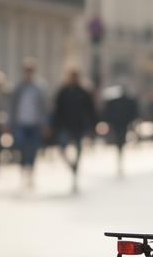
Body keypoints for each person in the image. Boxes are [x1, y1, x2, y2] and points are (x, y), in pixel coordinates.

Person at [53, 69, 96, 191]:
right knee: (62, 149)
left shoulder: (83, 92)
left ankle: (75, 170)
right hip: (65, 126)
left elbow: (91, 110)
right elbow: (57, 110)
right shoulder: (63, 92)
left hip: (79, 126)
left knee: (78, 150)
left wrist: (93, 125)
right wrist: (55, 126)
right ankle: (72, 166)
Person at [9, 58, 49, 188]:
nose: (28, 73)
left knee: (33, 149)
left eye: (30, 70)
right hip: (20, 123)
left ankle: (30, 172)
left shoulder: (39, 87)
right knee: (21, 148)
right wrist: (10, 123)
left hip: (35, 124)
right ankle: (22, 170)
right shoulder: (19, 87)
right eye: (26, 70)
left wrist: (44, 123)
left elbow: (44, 107)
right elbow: (12, 106)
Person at [102, 85, 140, 177]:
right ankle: (120, 151)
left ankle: (120, 152)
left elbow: (108, 112)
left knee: (119, 140)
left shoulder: (115, 102)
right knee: (120, 140)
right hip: (122, 123)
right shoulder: (125, 101)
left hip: (119, 123)